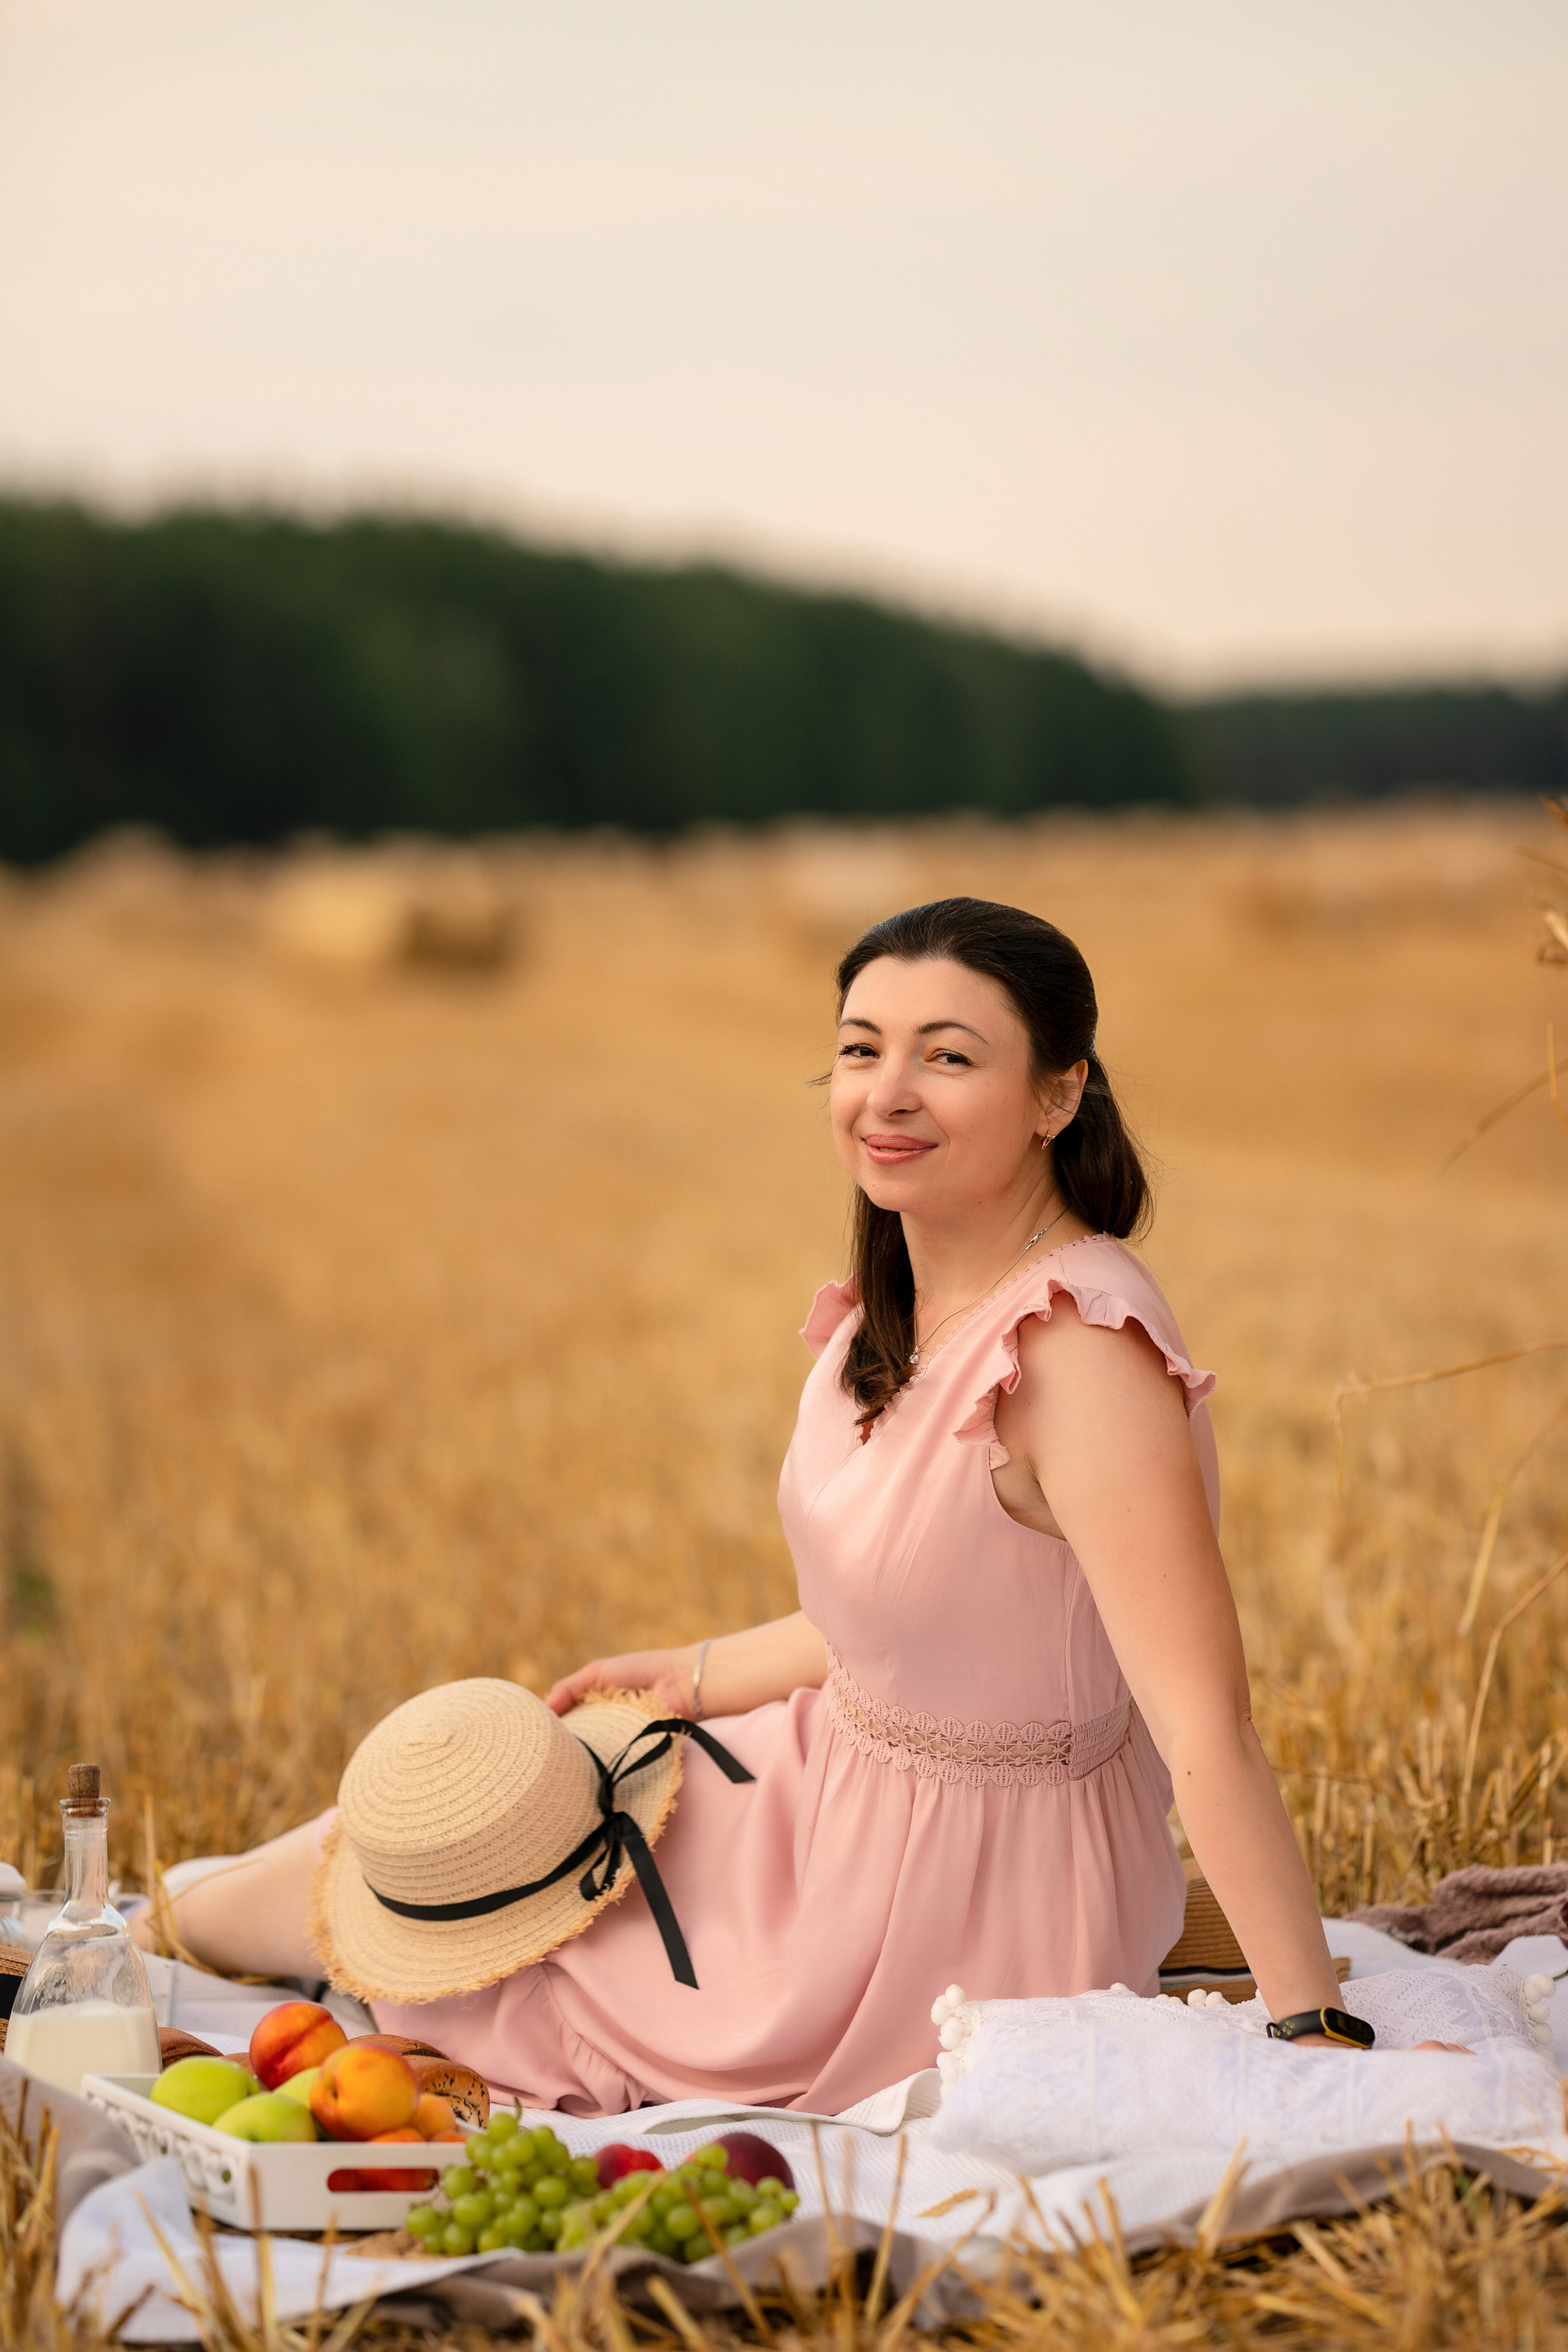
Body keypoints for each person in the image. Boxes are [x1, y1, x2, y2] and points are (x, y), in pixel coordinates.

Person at [136, 896, 1398, 2107]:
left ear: (1058, 1094)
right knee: (476, 1831)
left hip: (961, 1903)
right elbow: (919, 1623)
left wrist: (1312, 2027)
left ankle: (151, 1933)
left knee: (505, 1957)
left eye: (947, 1056)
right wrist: (692, 1673)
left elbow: (1207, 1727)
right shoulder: (898, 1313)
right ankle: (146, 1926)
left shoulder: (1076, 1354)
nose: (886, 1093)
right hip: (823, 1786)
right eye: (859, 1050)